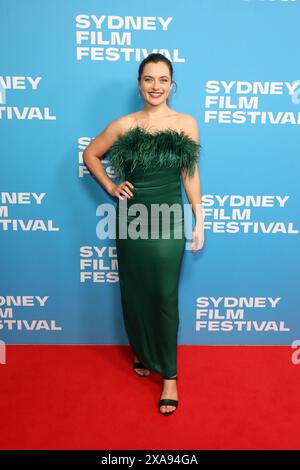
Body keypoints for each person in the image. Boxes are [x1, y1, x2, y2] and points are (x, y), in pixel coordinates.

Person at [83, 53, 205, 416]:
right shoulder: (124, 124)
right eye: (148, 79)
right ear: (139, 84)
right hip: (132, 220)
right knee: (135, 291)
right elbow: (91, 155)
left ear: (172, 84)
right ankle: (143, 350)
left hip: (169, 219)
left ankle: (169, 376)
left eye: (163, 79)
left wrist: (200, 219)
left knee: (164, 293)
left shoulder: (186, 123)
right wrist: (110, 186)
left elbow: (190, 175)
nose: (155, 86)